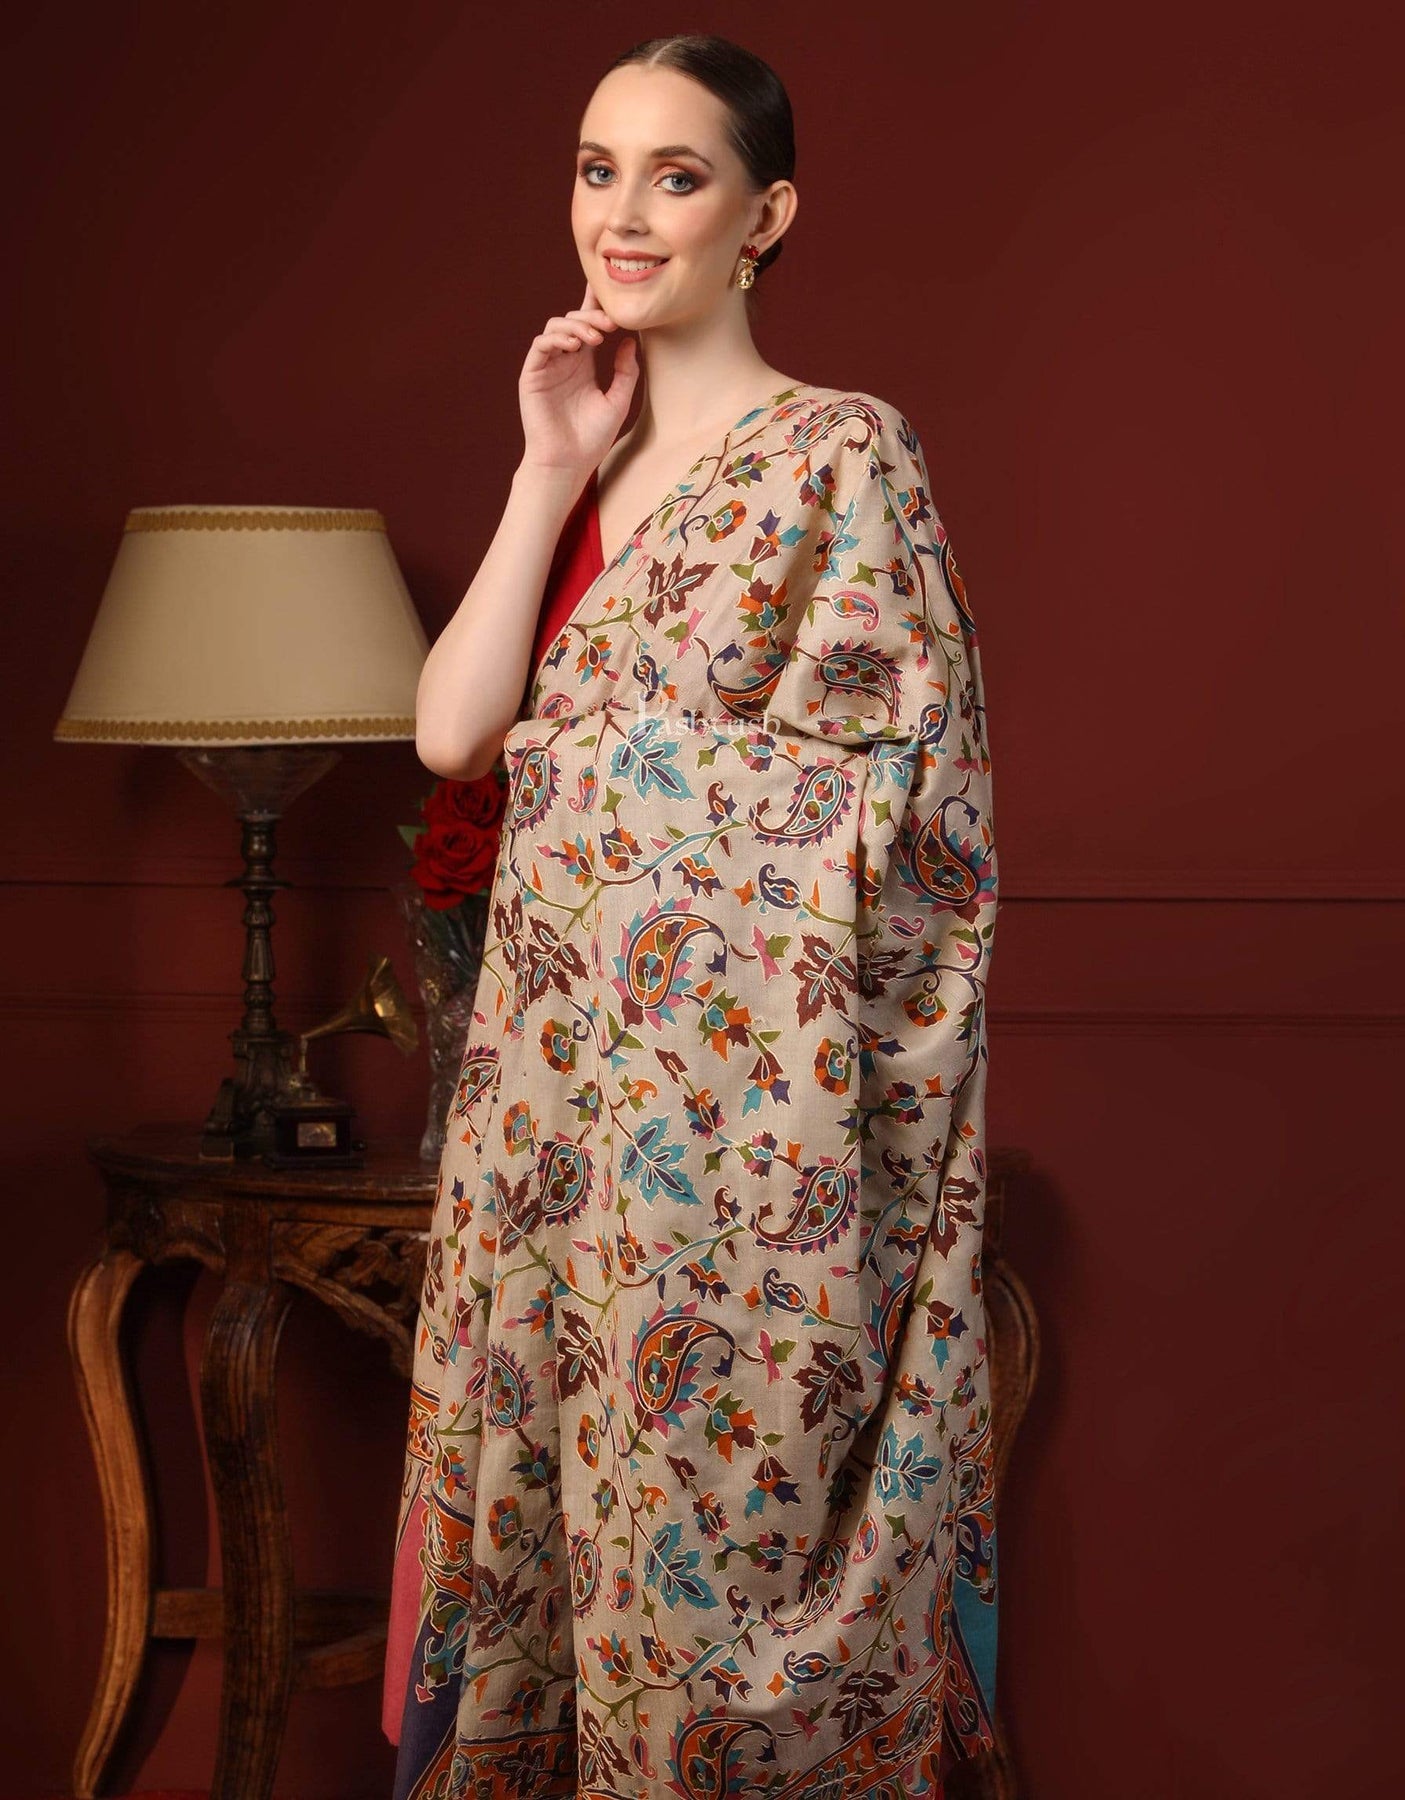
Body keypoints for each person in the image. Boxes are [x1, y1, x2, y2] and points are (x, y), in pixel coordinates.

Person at [385, 31, 1000, 1800]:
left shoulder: (838, 453)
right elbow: (453, 738)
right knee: (535, 1544)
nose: (624, 214)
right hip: (551, 1124)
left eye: (676, 174)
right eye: (597, 170)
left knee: (708, 1581)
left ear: (764, 216)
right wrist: (544, 469)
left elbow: (903, 812)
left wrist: (601, 777)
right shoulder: (588, 463)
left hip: (732, 1156)